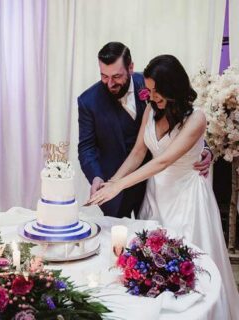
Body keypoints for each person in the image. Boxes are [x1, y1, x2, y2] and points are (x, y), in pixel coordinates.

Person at [88, 54, 239, 319]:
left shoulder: (197, 118)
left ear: (173, 88)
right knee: (153, 266)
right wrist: (112, 183)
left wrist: (120, 186)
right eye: (148, 90)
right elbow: (137, 153)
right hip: (155, 195)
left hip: (187, 199)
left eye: (157, 91)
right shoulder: (150, 108)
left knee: (188, 273)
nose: (151, 96)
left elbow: (165, 160)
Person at [78, 42, 211, 218]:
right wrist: (109, 182)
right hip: (133, 189)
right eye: (104, 76)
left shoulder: (149, 82)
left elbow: (184, 134)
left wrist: (204, 148)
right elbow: (135, 151)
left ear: (130, 68)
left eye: (117, 76)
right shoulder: (89, 101)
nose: (110, 83)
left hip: (172, 190)